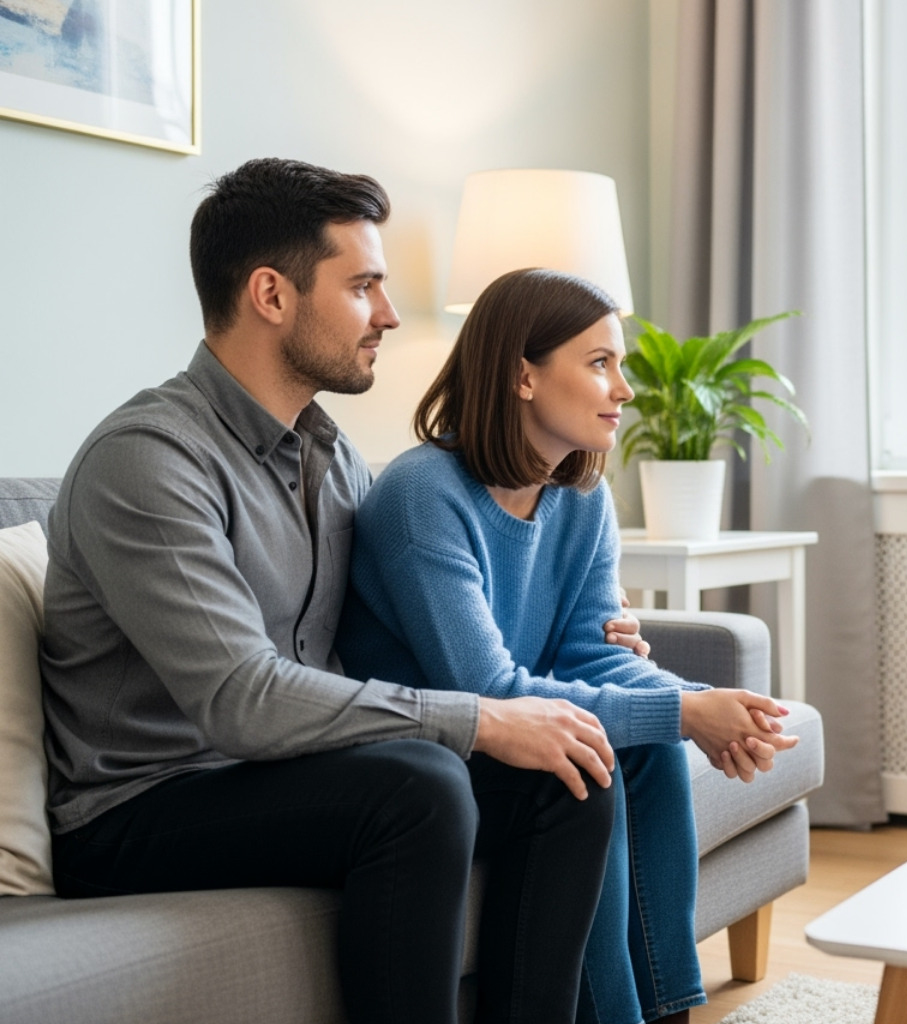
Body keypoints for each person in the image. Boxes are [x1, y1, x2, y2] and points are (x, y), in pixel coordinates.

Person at [39, 158, 653, 1024]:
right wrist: (480, 719)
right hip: (141, 807)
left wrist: (590, 642)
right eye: (363, 286)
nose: (391, 315)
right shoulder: (149, 460)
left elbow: (412, 620)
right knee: (420, 786)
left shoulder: (330, 457)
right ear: (271, 295)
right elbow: (242, 700)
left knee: (566, 767)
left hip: (282, 775)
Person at [335, 267, 800, 1024]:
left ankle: (668, 1009)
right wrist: (686, 714)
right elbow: (486, 686)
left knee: (645, 744)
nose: (624, 390)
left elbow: (592, 652)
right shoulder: (424, 495)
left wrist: (694, 701)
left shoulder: (580, 494)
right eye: (599, 363)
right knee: (599, 757)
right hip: (431, 751)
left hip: (509, 731)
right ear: (523, 375)